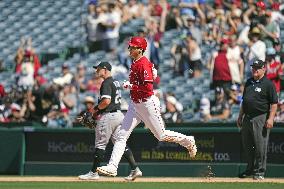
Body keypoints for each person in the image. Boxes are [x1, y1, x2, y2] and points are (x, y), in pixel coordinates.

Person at [96, 36, 197, 177]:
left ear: (140, 49)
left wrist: (131, 85)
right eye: (130, 46)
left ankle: (188, 141)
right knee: (121, 136)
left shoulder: (143, 63)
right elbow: (149, 75)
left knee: (161, 135)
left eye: (132, 47)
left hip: (147, 103)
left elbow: (148, 89)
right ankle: (112, 167)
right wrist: (150, 72)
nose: (130, 49)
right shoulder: (136, 62)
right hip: (135, 104)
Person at [78, 62, 142, 181]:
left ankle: (93, 173)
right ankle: (135, 169)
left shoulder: (106, 82)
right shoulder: (115, 82)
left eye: (98, 69)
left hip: (108, 116)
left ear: (105, 69)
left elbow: (106, 102)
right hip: (118, 115)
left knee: (100, 144)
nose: (97, 71)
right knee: (120, 143)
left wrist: (94, 111)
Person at [237, 59, 278, 180]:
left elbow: (274, 103)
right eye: (253, 67)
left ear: (264, 69)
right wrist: (240, 116)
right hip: (247, 117)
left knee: (260, 147)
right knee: (248, 146)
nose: (254, 69)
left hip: (260, 117)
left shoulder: (268, 84)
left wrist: (270, 119)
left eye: (257, 68)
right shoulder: (249, 82)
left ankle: (260, 171)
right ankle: (250, 169)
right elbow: (244, 101)